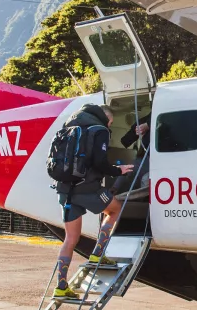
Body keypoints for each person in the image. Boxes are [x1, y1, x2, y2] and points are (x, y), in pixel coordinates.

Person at [53, 104, 133, 299]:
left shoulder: (68, 127)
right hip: (88, 188)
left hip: (65, 189)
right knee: (115, 209)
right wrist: (117, 170)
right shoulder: (100, 130)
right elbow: (99, 163)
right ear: (105, 117)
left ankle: (61, 287)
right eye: (111, 122)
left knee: (70, 239)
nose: (110, 126)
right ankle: (98, 252)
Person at [110, 115, 150, 194]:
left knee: (141, 175)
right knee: (131, 168)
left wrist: (148, 125)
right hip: (147, 157)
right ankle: (114, 190)